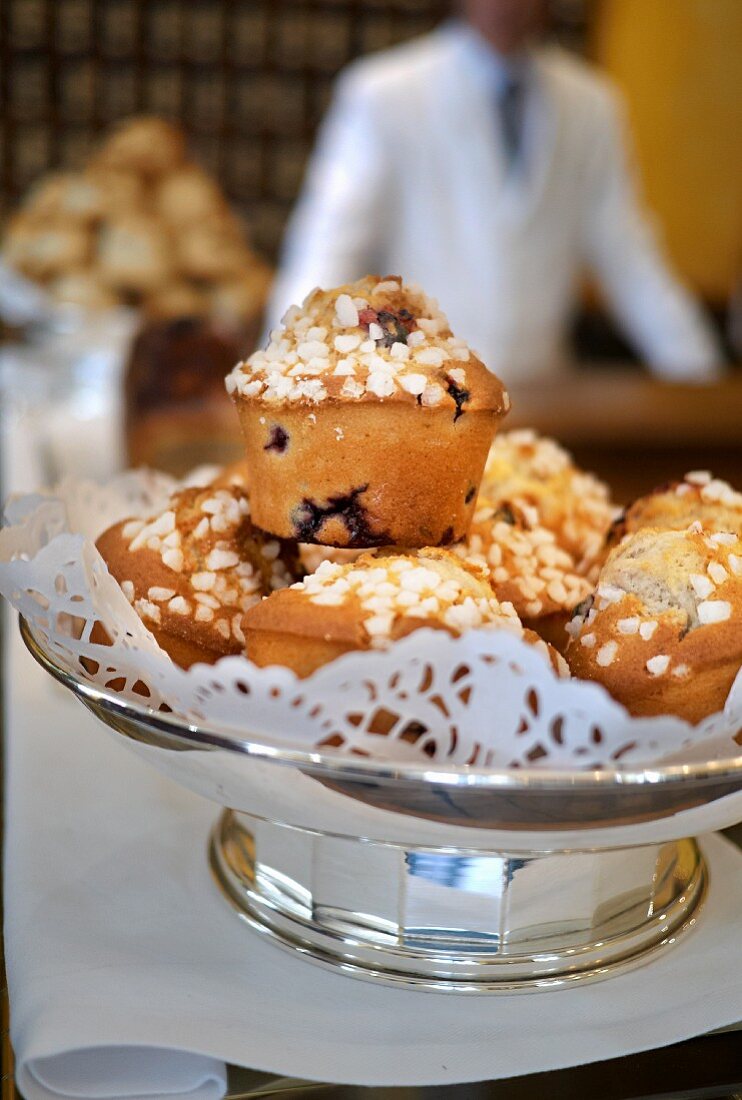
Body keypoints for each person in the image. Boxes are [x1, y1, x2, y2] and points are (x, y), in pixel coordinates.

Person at [266, 0, 723, 382]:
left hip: (546, 394)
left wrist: (703, 380)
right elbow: (327, 248)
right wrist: (275, 371)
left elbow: (631, 260)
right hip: (423, 392)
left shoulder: (592, 105)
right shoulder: (385, 93)